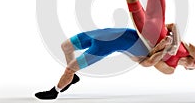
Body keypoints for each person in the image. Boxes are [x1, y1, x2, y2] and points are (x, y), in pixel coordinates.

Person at [35, 27, 176, 100]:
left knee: (69, 69)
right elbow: (171, 26)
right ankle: (73, 78)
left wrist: (166, 48)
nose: (164, 41)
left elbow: (152, 61)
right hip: (96, 34)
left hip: (100, 47)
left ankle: (55, 91)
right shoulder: (151, 33)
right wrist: (170, 40)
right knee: (65, 46)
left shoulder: (145, 58)